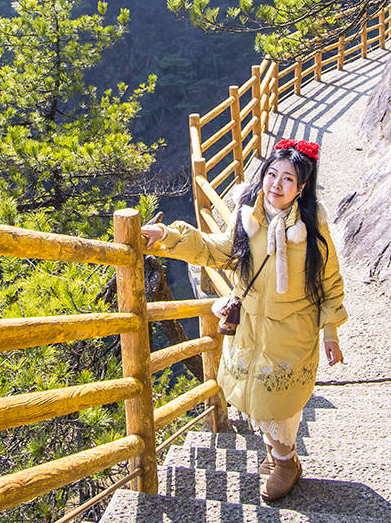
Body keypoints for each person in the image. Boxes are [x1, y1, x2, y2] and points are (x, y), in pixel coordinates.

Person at [142, 138, 347, 502]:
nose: (276, 185)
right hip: (250, 327)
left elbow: (329, 280)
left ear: (301, 188)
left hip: (292, 329)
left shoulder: (313, 226)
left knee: (280, 402)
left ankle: (286, 462)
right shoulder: (246, 218)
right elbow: (216, 251)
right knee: (256, 397)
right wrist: (168, 236)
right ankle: (278, 454)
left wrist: (330, 331)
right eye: (271, 174)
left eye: (287, 179)